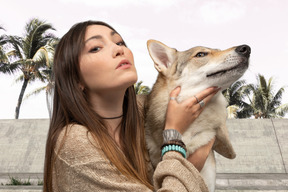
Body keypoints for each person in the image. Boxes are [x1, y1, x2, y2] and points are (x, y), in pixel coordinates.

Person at [43, 20, 219, 192]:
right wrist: (174, 135)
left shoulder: (146, 111)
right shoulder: (73, 142)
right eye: (96, 48)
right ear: (76, 79)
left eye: (119, 42)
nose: (119, 49)